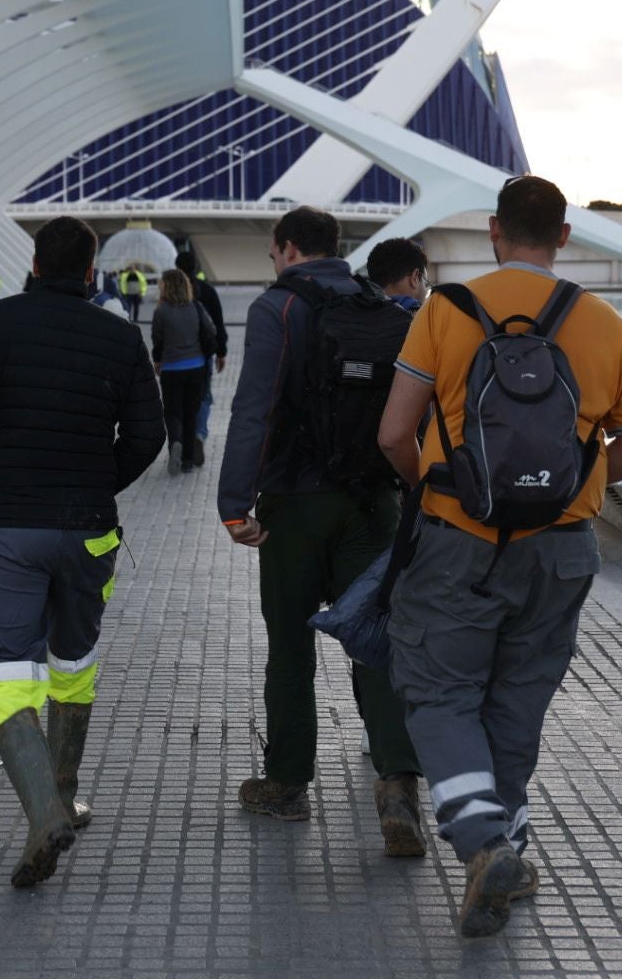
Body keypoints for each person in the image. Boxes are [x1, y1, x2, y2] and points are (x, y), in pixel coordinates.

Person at [376, 175, 622, 938]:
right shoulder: (602, 322)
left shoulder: (444, 310)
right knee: (517, 696)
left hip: (455, 539)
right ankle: (510, 849)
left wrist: (439, 491)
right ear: (564, 237)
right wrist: (574, 486)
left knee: (438, 692)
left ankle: (483, 844)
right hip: (563, 551)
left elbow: (392, 435)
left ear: (495, 233)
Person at [0, 216, 164, 889]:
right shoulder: (120, 334)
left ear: (33, 262)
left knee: (7, 678)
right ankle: (64, 792)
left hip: (13, 526)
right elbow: (148, 435)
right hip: (90, 528)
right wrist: (100, 480)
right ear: (93, 272)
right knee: (74, 664)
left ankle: (44, 816)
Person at [217, 206, 424, 857]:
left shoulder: (278, 307)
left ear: (284, 249)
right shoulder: (382, 307)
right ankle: (397, 787)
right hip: (372, 503)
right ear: (336, 249)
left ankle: (286, 785)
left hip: (295, 504)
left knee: (290, 644)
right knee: (376, 639)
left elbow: (256, 407)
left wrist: (233, 502)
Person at [150, 269, 216, 477]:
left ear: (165, 287)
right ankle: (188, 460)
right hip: (196, 367)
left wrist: (158, 361)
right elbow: (211, 330)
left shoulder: (161, 311)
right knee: (190, 414)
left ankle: (175, 445)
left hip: (171, 369)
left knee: (172, 413)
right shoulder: (196, 307)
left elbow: (157, 339)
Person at [175, 252, 227, 468]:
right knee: (203, 396)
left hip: (175, 357)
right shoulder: (207, 291)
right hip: (202, 355)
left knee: (177, 401)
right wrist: (221, 351)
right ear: (196, 267)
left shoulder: (171, 292)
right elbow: (218, 322)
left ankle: (178, 442)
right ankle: (198, 433)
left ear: (177, 267)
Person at [365, 237, 430, 314]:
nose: (426, 291)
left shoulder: (354, 310)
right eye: (426, 283)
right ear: (415, 277)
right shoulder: (422, 319)